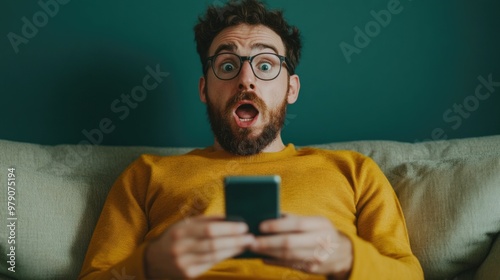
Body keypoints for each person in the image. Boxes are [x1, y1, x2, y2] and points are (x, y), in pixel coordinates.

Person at [79, 0, 423, 279]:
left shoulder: (355, 172)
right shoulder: (145, 175)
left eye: (266, 64)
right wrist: (149, 267)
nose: (246, 79)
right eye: (227, 66)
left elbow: (408, 275)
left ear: (291, 88)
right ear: (204, 89)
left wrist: (346, 258)